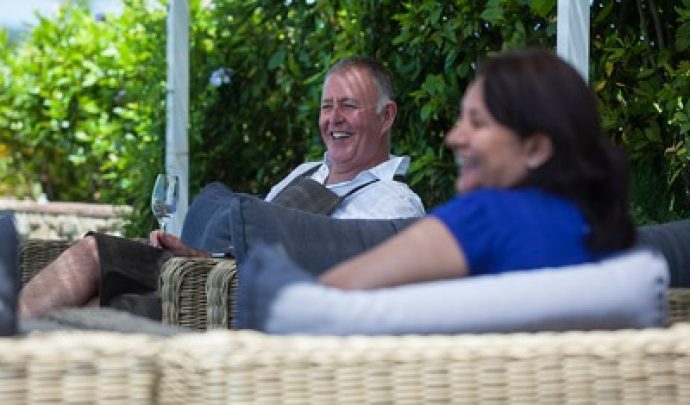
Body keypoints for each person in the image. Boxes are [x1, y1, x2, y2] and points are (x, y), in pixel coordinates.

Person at [18, 56, 425, 318]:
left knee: (91, 300)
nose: (333, 118)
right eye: (326, 106)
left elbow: (358, 295)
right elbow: (246, 249)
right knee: (89, 276)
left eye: (349, 106)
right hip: (201, 280)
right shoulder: (304, 172)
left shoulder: (394, 204)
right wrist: (193, 253)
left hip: (237, 309)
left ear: (385, 116)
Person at [319, 48, 636, 290]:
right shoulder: (605, 231)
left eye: (477, 122)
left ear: (535, 148)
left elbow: (324, 298)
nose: (453, 137)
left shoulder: (487, 217)